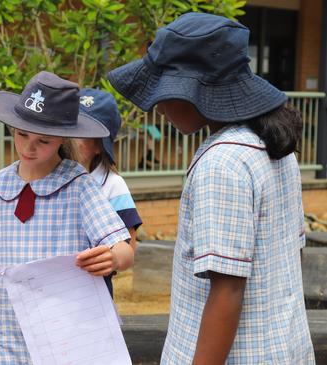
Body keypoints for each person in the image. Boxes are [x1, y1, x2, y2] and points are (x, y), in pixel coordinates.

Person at [107, 12, 315, 364]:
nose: (157, 108)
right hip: (282, 346)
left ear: (198, 92)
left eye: (164, 91)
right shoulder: (272, 146)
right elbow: (288, 258)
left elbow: (228, 289)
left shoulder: (222, 164)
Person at [0, 71, 134, 364]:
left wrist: (113, 259)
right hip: (11, 340)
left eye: (43, 141)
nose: (28, 147)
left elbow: (124, 249)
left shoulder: (79, 185)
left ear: (63, 138)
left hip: (69, 340)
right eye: (22, 134)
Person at [75, 88, 142, 297]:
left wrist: (111, 259)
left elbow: (129, 248)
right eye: (69, 127)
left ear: (99, 146)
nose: (71, 137)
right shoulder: (46, 178)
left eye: (83, 132)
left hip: (95, 292)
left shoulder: (113, 185)